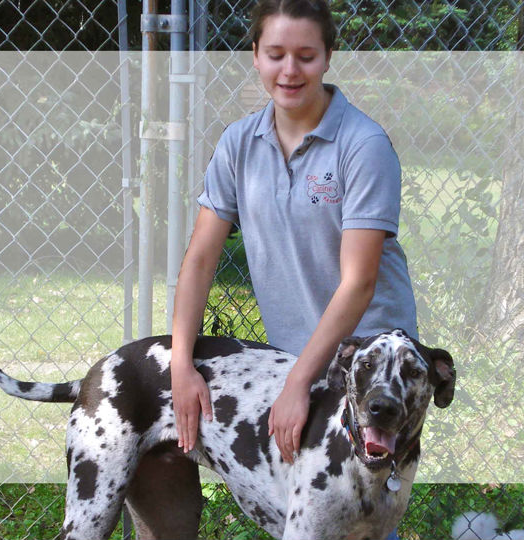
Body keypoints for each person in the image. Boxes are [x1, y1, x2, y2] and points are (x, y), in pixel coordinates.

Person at [170, 1, 417, 538]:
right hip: (294, 360)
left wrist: (299, 383)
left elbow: (360, 281)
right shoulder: (238, 144)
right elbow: (201, 258)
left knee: (363, 517)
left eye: (305, 55)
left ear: (328, 57)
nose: (290, 70)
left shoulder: (363, 145)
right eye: (276, 54)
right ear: (255, 56)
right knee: (309, 517)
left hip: (368, 362)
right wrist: (181, 362)